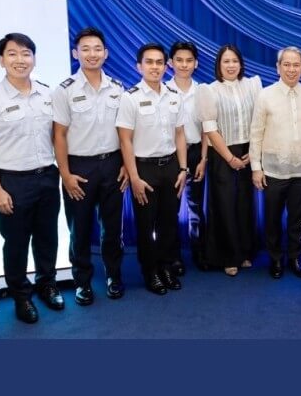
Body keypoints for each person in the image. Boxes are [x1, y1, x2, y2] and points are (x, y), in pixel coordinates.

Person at [0, 32, 63, 324]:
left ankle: (47, 284)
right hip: (12, 181)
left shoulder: (48, 93)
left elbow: (57, 136)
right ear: (1, 60)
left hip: (48, 176)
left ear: (34, 58)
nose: (20, 60)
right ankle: (21, 296)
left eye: (26, 54)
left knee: (48, 237)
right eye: (12, 54)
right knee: (16, 242)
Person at [51, 27, 128, 306]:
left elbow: (124, 132)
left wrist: (125, 167)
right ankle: (82, 282)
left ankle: (113, 276)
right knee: (79, 229)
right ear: (76, 53)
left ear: (105, 53)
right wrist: (65, 174)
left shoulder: (118, 89)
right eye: (85, 49)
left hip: (112, 164)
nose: (92, 54)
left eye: (97, 49)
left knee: (112, 228)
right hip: (78, 168)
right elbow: (58, 135)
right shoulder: (64, 90)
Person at [115, 42, 188, 295]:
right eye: (149, 62)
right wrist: (133, 176)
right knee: (147, 226)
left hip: (170, 167)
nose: (155, 67)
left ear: (165, 66)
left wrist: (183, 168)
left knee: (169, 222)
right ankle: (151, 272)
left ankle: (166, 267)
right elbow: (125, 140)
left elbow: (180, 134)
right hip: (143, 169)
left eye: (159, 62)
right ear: (139, 66)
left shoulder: (173, 96)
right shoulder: (130, 98)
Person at [249, 46, 301, 279]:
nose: (291, 69)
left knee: (298, 220)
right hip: (273, 171)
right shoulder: (265, 95)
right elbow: (256, 133)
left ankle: (295, 258)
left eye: (296, 65)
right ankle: (276, 259)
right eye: (286, 64)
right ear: (278, 67)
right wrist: (256, 168)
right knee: (272, 219)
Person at [197, 44, 262, 276]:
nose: (231, 65)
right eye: (226, 61)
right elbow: (210, 129)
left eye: (234, 60)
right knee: (224, 205)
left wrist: (254, 151)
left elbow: (259, 121)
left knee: (245, 204)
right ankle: (227, 256)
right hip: (222, 152)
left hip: (249, 150)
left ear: (241, 63)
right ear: (219, 65)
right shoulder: (209, 90)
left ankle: (245, 252)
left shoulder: (253, 85)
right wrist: (230, 158)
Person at [167, 41, 209, 271]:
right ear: (170, 63)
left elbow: (206, 129)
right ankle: (174, 257)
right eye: (179, 60)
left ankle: (199, 252)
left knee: (196, 207)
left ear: (196, 63)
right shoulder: (162, 90)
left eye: (189, 60)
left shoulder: (203, 91)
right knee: (170, 210)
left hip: (196, 153)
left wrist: (203, 159)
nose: (184, 65)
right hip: (170, 156)